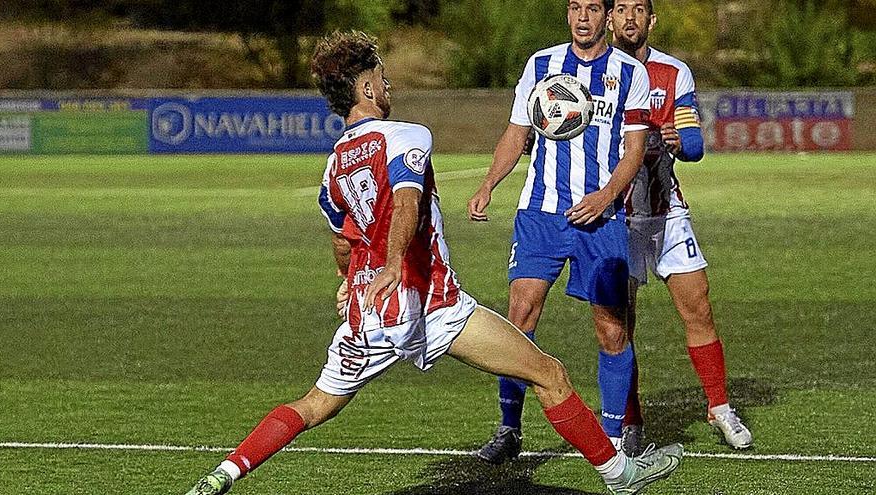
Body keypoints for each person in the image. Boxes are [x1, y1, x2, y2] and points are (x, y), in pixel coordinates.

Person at [184, 31, 682, 495]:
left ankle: (225, 473)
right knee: (549, 373)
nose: (388, 82)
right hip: (434, 305)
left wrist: (347, 280)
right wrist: (397, 263)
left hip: (368, 314)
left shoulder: (334, 163)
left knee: (313, 405)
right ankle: (620, 475)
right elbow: (405, 201)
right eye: (381, 75)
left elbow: (343, 240)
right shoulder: (406, 136)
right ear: (365, 86)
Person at [468, 0, 651, 462]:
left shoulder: (631, 73)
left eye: (592, 8)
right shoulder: (540, 65)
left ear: (607, 17)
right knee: (519, 319)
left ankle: (611, 439)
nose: (582, 17)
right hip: (541, 215)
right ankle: (509, 428)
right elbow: (516, 134)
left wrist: (605, 197)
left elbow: (634, 151)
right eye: (575, 7)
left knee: (611, 329)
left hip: (601, 218)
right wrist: (489, 184)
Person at [608, 0, 753, 455]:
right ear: (610, 19)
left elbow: (693, 144)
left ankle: (719, 406)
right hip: (617, 216)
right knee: (619, 325)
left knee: (699, 307)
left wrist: (677, 139)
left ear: (651, 20)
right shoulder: (594, 74)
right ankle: (630, 420)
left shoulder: (674, 73)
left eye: (638, 10)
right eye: (620, 9)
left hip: (667, 212)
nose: (629, 17)